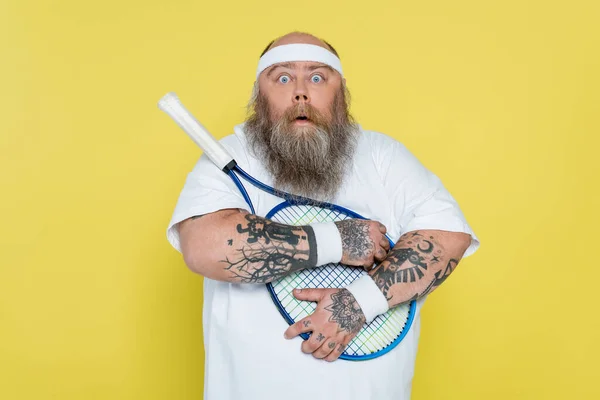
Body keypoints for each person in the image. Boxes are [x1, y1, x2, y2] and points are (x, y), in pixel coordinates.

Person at [166, 31, 480, 400]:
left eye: (317, 77)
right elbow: (204, 246)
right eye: (282, 78)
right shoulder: (229, 157)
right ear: (259, 96)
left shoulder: (383, 156)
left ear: (341, 93)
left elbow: (447, 237)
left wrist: (361, 302)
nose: (301, 92)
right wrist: (336, 241)